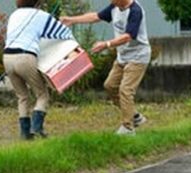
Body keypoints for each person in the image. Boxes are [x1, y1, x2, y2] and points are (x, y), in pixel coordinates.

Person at [61, 0, 151, 135]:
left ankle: (128, 128)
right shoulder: (115, 7)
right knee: (110, 86)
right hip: (123, 56)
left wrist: (107, 44)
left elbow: (128, 37)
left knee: (125, 90)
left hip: (138, 57)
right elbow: (96, 17)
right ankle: (135, 116)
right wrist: (71, 20)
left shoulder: (135, 11)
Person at [4, 0, 74, 139]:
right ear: (38, 2)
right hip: (25, 57)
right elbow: (63, 33)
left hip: (7, 57)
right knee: (42, 94)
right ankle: (37, 128)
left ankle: (25, 133)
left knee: (22, 96)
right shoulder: (41, 15)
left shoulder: (14, 14)